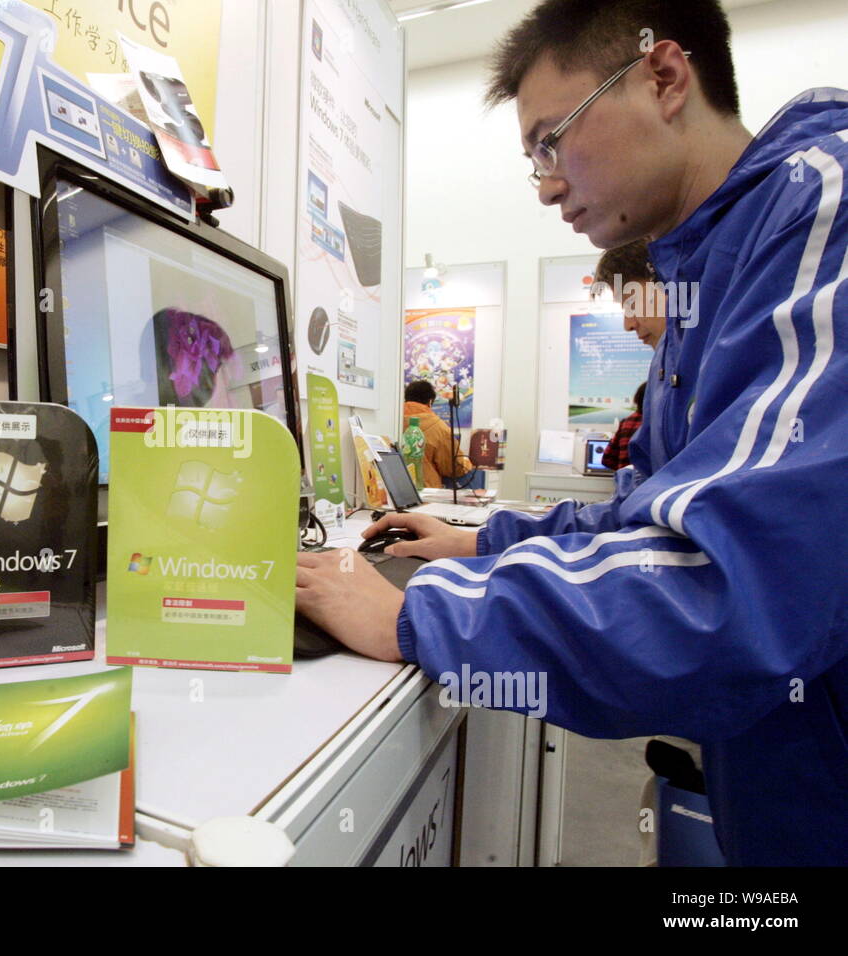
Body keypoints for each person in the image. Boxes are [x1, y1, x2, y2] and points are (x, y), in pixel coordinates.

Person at [296, 0, 848, 865]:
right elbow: (648, 519)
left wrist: (423, 611)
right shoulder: (703, 274)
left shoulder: (823, 209)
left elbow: (736, 585)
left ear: (663, 77)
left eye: (552, 141)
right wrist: (483, 541)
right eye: (531, 162)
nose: (547, 184)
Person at [401, 379, 474, 488]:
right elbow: (453, 467)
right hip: (424, 491)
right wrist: (466, 462)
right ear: (430, 402)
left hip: (392, 491)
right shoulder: (439, 427)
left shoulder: (393, 419)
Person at [602, 381, 645, 471]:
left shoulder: (626, 422)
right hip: (651, 482)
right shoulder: (656, 423)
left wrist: (624, 468)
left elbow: (607, 459)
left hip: (626, 481)